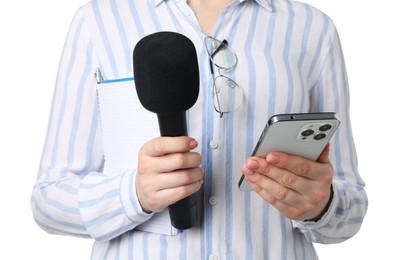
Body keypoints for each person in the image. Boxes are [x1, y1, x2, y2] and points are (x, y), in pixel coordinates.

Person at [31, 0, 368, 259]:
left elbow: (350, 212)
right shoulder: (99, 20)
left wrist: (321, 206)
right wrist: (133, 194)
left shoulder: (312, 29)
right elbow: (49, 199)